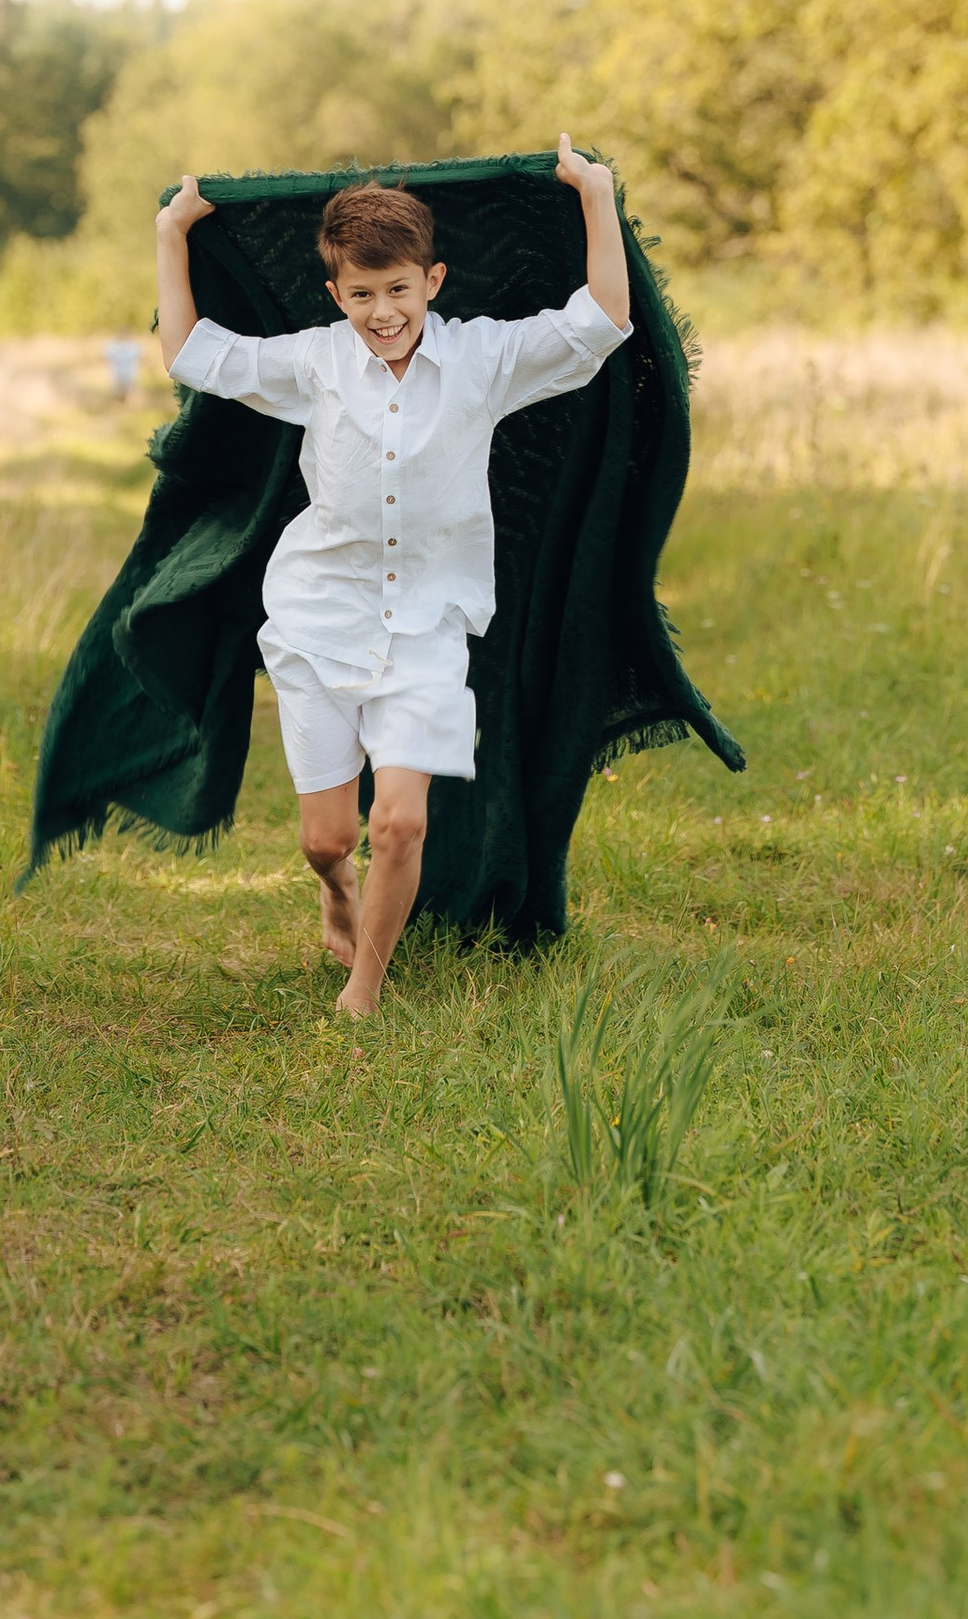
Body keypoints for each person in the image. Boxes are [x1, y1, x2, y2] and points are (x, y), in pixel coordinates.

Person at [156, 140, 632, 1015]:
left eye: (399, 290)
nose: (384, 312)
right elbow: (191, 352)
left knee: (400, 821)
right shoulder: (313, 363)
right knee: (327, 838)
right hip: (317, 620)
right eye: (363, 295)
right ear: (336, 295)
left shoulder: (484, 361)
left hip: (427, 627)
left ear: (433, 281)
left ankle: (363, 993)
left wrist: (595, 196)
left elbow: (600, 322)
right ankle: (335, 889)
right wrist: (172, 230)